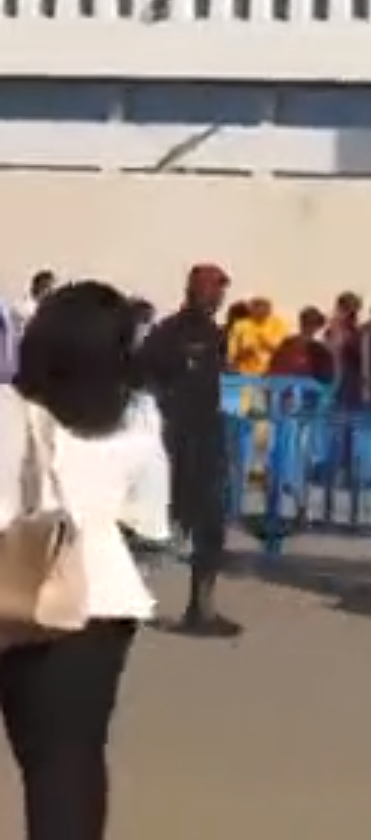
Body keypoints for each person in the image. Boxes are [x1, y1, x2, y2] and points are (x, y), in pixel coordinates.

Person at [0, 280, 171, 840]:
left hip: (14, 583)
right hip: (103, 599)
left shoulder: (9, 412)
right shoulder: (141, 417)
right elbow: (150, 518)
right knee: (70, 763)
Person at [136, 264, 241, 637]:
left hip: (207, 436)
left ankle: (202, 608)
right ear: (195, 291)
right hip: (175, 440)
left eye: (220, 292)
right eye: (213, 291)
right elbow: (142, 375)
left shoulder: (215, 334)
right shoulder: (167, 333)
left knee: (211, 523)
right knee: (160, 522)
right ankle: (127, 600)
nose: (217, 299)